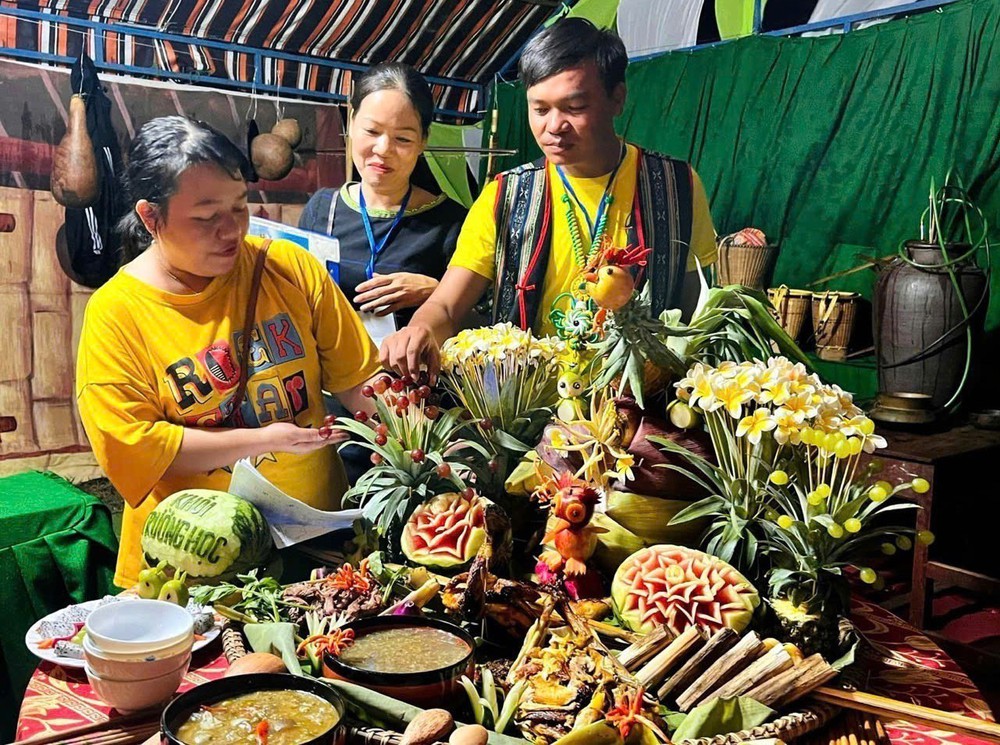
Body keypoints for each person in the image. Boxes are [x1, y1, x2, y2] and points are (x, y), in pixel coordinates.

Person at [76, 116, 381, 589]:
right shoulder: (117, 313)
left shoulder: (289, 267)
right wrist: (263, 440)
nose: (231, 230)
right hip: (193, 569)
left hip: (320, 549)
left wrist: (415, 438)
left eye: (240, 208)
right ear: (150, 217)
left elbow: (361, 384)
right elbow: (136, 449)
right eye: (205, 216)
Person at [381, 18, 717, 379]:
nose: (553, 126)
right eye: (539, 109)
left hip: (640, 409)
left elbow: (693, 308)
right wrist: (418, 331)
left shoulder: (674, 185)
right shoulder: (504, 197)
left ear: (617, 99)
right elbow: (446, 306)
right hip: (530, 410)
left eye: (573, 108)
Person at [298, 62, 467, 331]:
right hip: (329, 370)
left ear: (423, 140)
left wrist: (437, 291)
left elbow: (481, 325)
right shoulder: (322, 208)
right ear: (351, 123)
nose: (384, 149)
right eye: (372, 131)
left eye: (402, 139)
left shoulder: (452, 223)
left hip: (409, 372)